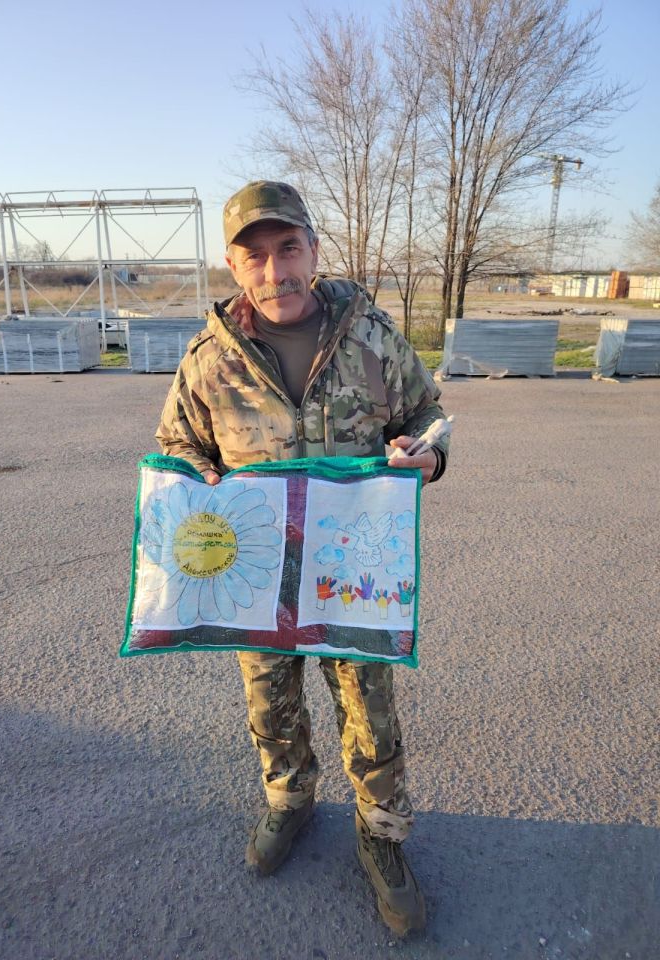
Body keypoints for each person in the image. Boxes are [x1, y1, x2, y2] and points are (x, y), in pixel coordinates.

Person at [156, 181, 450, 937]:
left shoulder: (371, 337)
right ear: (233, 266)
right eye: (254, 256)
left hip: (353, 571)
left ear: (314, 250)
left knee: (369, 708)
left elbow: (427, 413)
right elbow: (178, 443)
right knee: (270, 704)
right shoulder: (209, 359)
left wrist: (426, 453)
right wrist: (197, 473)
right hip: (257, 575)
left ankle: (382, 833)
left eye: (288, 249)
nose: (275, 271)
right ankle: (289, 801)